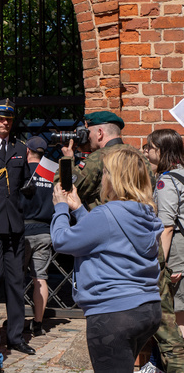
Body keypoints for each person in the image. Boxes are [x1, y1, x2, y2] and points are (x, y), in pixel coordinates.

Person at [51, 147, 162, 372]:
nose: (102, 179)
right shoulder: (146, 211)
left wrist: (61, 208)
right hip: (147, 308)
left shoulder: (107, 213)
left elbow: (62, 241)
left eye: (105, 174)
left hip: (114, 313)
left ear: (115, 179)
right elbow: (111, 235)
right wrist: (80, 210)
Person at [0, 99, 34, 356]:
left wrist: (31, 187)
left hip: (14, 224)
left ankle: (16, 336)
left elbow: (25, 182)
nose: (5, 122)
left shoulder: (19, 147)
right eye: (0, 118)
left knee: (16, 282)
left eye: (9, 119)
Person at [147, 129, 184, 337]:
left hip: (176, 251)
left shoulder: (167, 181)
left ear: (160, 151)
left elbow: (167, 226)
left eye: (149, 148)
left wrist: (161, 264)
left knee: (177, 317)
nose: (146, 152)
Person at [19, 136, 55, 338]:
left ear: (27, 151)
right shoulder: (50, 172)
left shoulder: (21, 171)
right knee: (40, 279)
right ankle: (38, 324)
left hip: (22, 231)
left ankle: (17, 320)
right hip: (44, 231)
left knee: (17, 279)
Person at [58, 111, 131, 209]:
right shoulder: (140, 157)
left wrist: (67, 159)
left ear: (100, 133)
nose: (88, 137)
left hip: (103, 220)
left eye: (89, 132)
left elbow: (65, 192)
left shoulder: (97, 159)